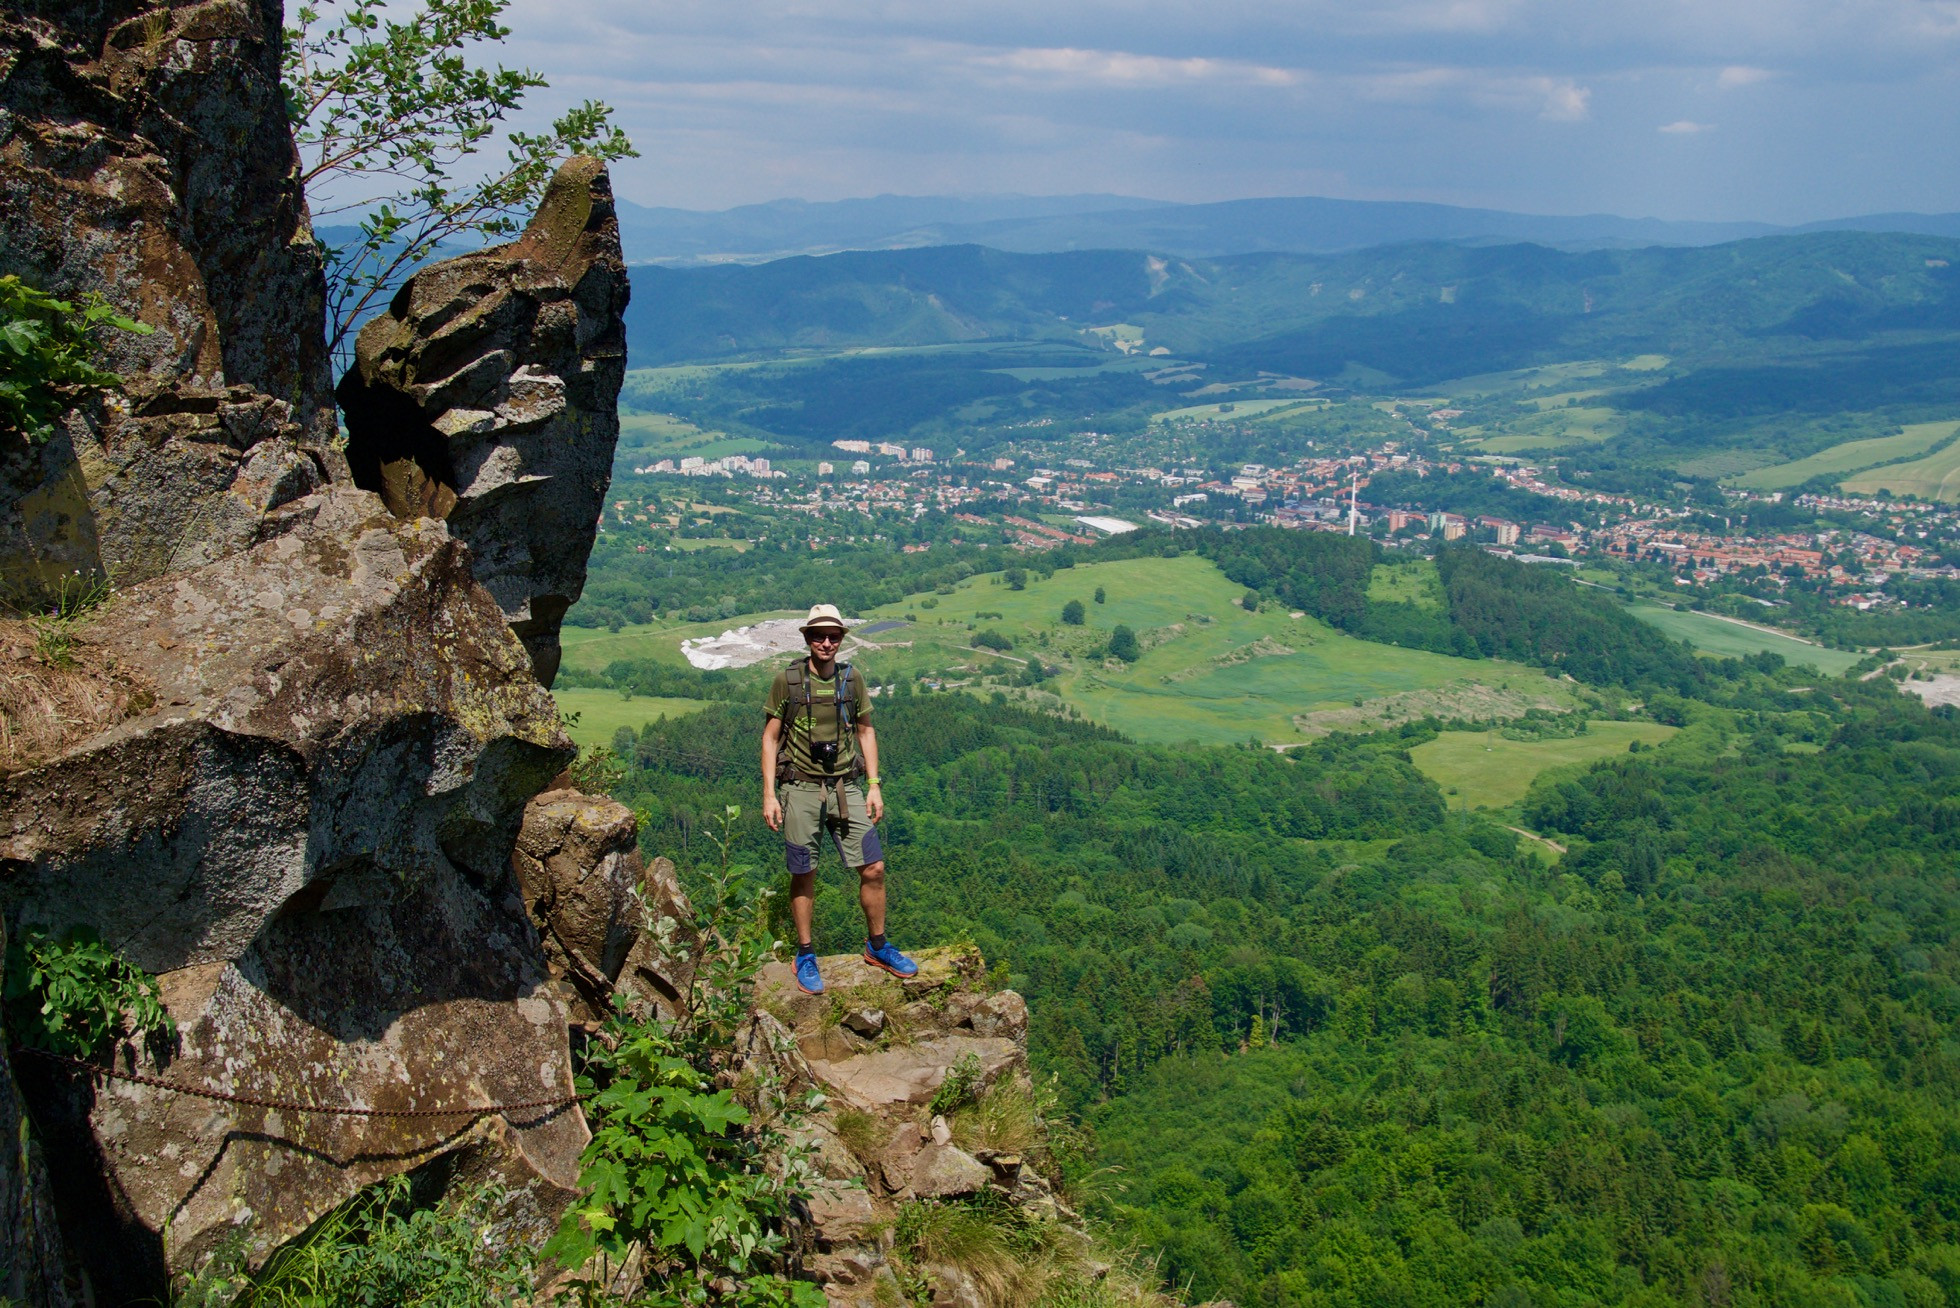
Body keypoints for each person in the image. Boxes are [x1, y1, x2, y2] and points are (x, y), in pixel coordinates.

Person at [762, 604, 918, 994]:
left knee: (874, 867)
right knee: (804, 871)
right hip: (800, 787)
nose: (826, 642)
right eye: (818, 636)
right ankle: (805, 953)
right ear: (807, 639)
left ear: (842, 640)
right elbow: (769, 737)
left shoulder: (853, 680)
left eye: (833, 636)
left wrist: (874, 784)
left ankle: (877, 945)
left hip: (846, 787)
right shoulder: (789, 680)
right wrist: (769, 794)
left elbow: (867, 731)